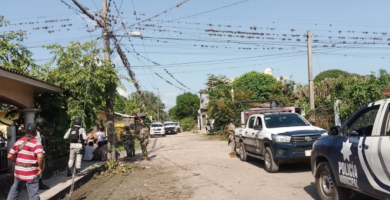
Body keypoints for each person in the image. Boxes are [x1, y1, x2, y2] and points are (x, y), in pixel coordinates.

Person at [7, 123, 44, 200]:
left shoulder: (18, 142)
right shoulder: (36, 143)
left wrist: (18, 162)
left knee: (15, 189)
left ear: (25, 131)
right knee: (33, 194)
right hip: (31, 172)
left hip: (18, 172)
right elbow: (40, 157)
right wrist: (40, 168)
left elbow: (9, 156)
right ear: (36, 132)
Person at [34, 116, 50, 190]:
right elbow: (38, 144)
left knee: (39, 169)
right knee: (40, 168)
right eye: (42, 124)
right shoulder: (37, 133)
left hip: (38, 152)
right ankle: (39, 184)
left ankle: (38, 183)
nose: (42, 126)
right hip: (38, 153)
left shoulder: (39, 132)